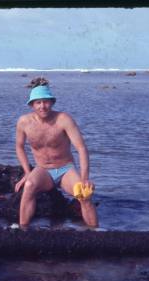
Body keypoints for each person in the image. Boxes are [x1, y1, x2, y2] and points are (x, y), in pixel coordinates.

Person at [14, 78, 99, 228]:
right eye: (38, 102)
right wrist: (27, 171)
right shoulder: (24, 122)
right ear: (32, 105)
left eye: (46, 102)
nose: (42, 106)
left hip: (66, 169)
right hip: (42, 170)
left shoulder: (63, 119)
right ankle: (22, 230)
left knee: (84, 193)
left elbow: (81, 148)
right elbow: (19, 146)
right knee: (29, 186)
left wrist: (85, 178)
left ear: (52, 102)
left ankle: (97, 233)